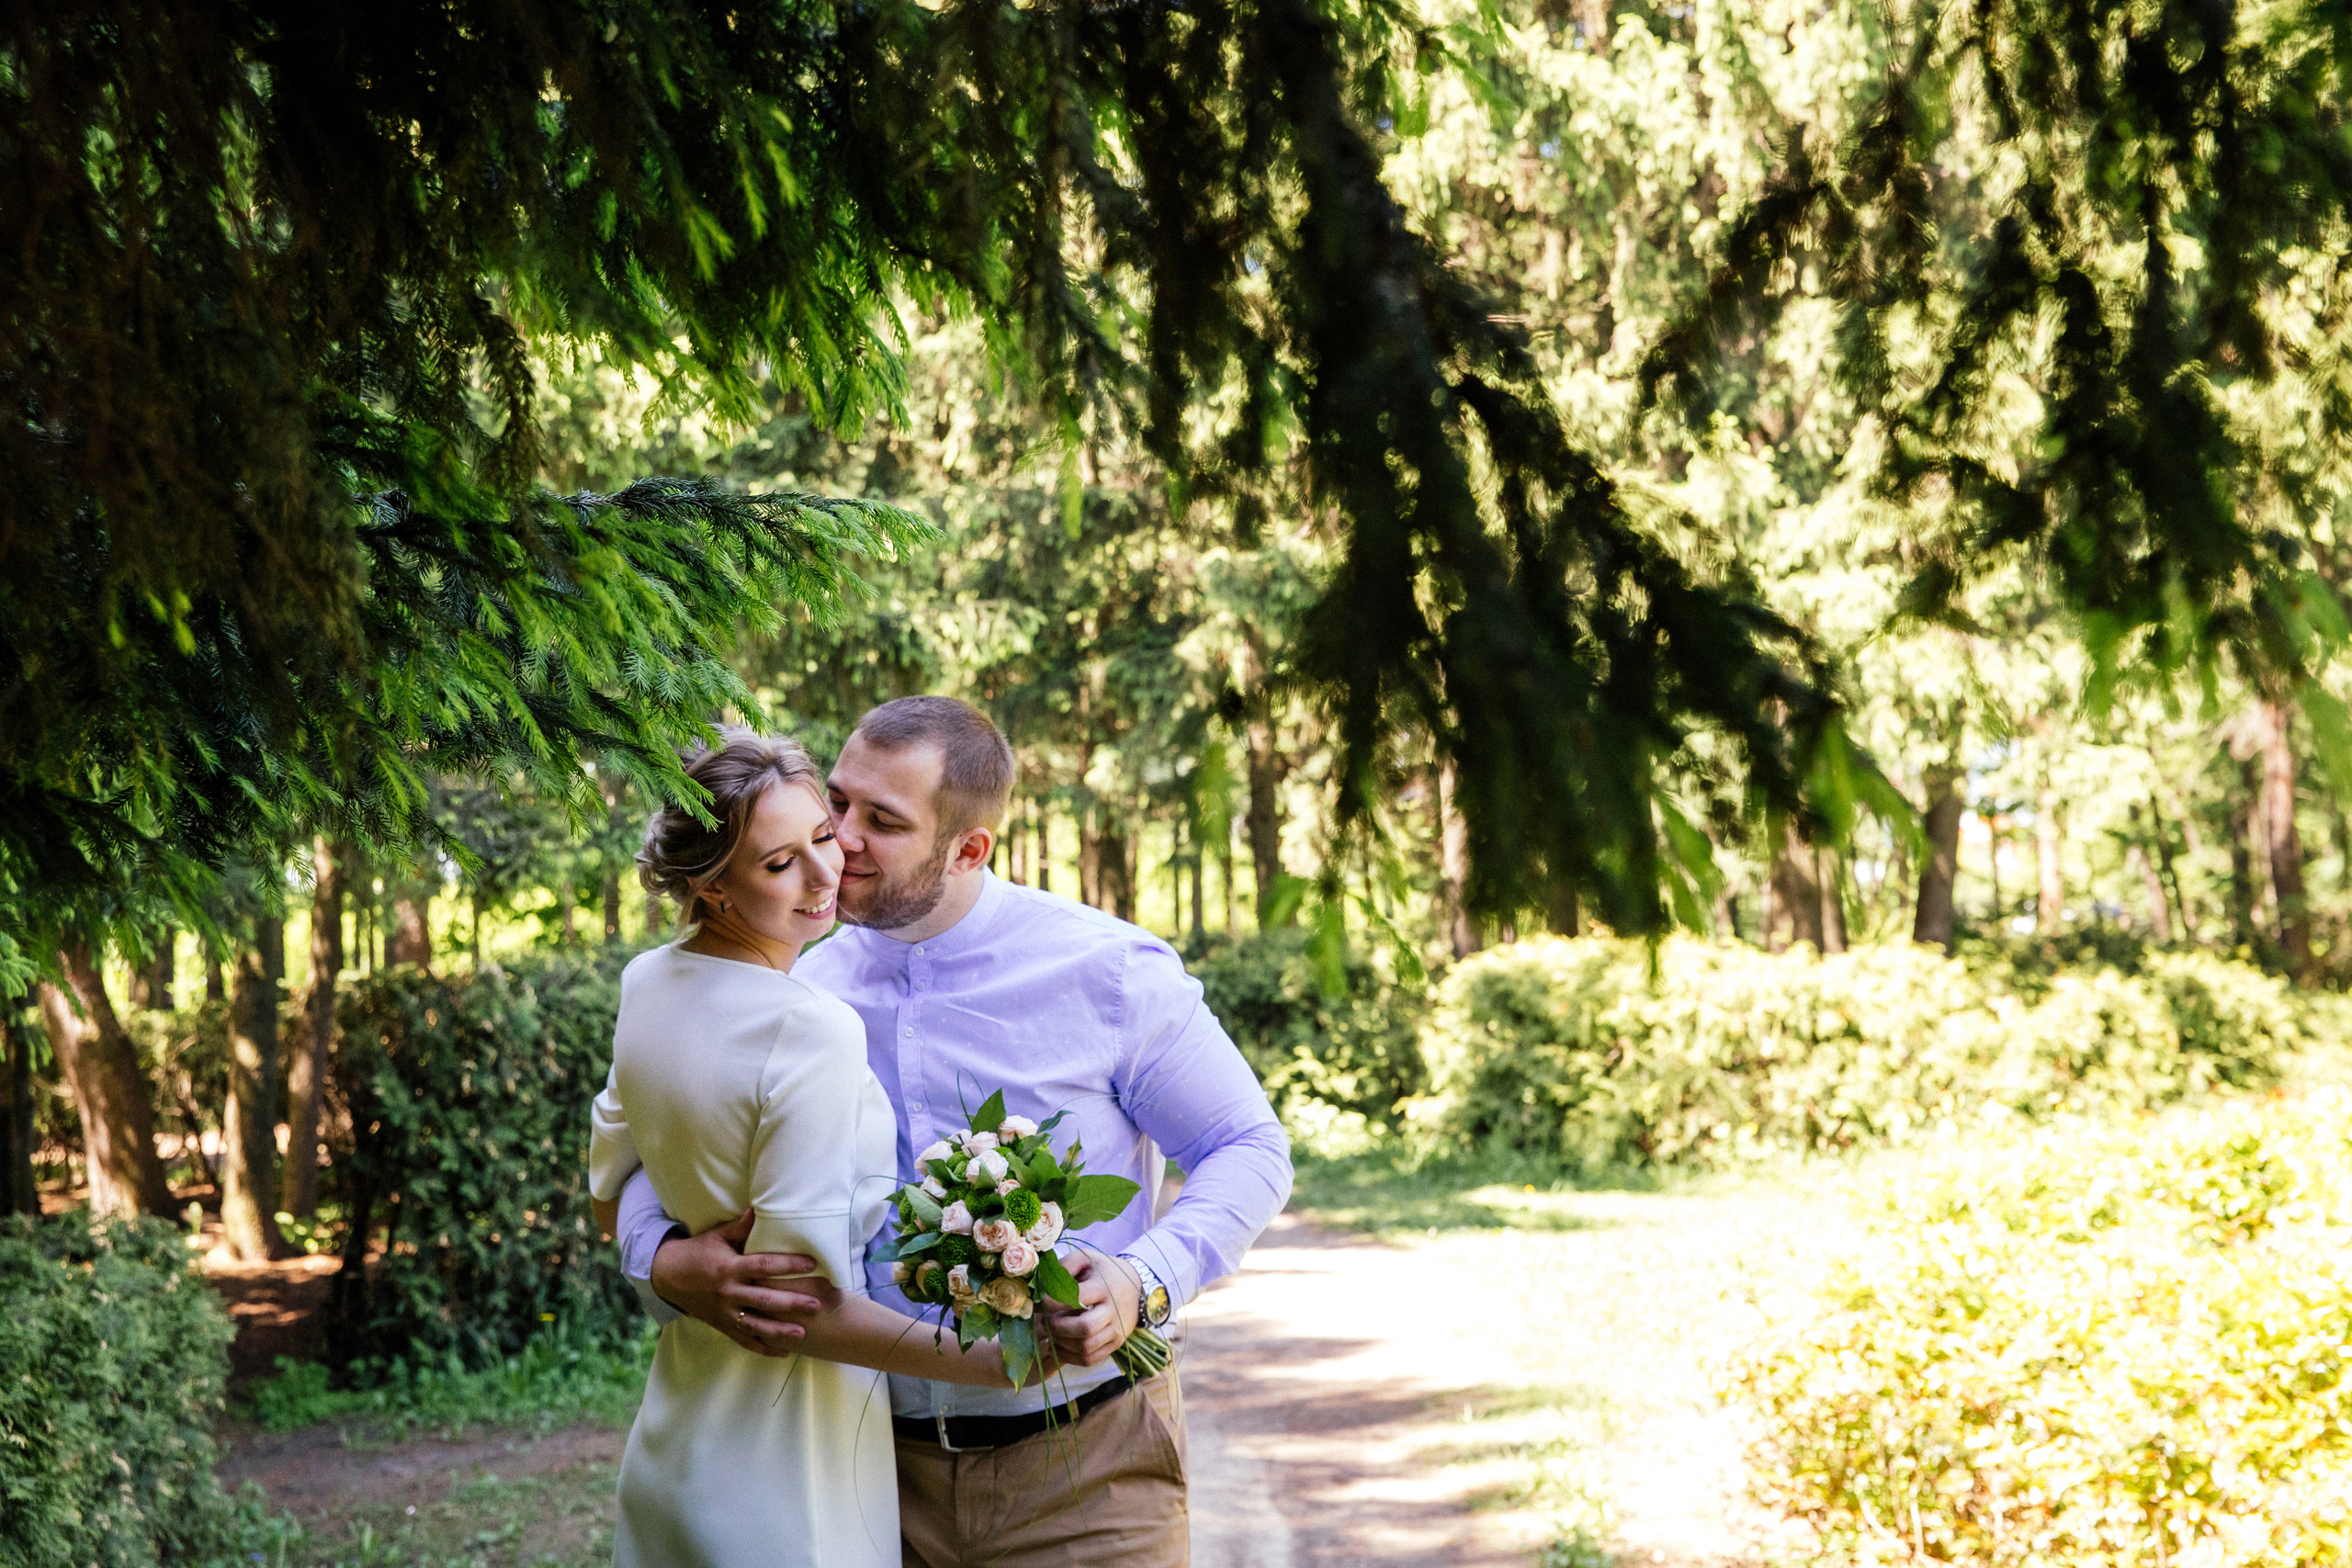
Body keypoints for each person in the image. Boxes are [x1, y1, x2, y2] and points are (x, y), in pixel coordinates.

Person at [602, 696, 1294, 1566]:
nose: (840, 839)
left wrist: (1141, 1281)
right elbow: (636, 1132)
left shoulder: (1109, 971)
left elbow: (1250, 1146)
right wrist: (661, 1260)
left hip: (1088, 1469)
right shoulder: (786, 979)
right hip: (871, 1477)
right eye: (839, 802)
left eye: (881, 821)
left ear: (969, 848)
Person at [589, 728, 1015, 1568]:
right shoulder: (810, 1026)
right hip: (795, 1458)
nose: (826, 876)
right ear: (712, 887)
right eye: (779, 863)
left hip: (680, 1431)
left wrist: (667, 1256)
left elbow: (610, 1185)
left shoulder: (647, 983)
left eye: (823, 835)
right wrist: (1002, 1365)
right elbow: (803, 1311)